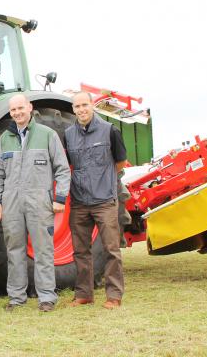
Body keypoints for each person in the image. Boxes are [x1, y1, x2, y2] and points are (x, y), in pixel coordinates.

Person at [0, 94, 71, 312]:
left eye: (20, 108)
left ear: (29, 107)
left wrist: (60, 198)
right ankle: (16, 297)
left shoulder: (47, 134)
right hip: (11, 203)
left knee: (43, 250)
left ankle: (47, 297)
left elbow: (62, 169)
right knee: (14, 251)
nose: (17, 113)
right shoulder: (4, 139)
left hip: (39, 202)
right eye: (13, 110)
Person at [63, 91, 128, 309]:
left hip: (104, 201)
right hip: (80, 201)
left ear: (92, 105)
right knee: (80, 251)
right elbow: (68, 165)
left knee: (111, 249)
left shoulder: (110, 131)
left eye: (84, 105)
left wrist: (104, 179)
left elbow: (120, 162)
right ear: (73, 109)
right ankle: (84, 294)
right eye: (77, 106)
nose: (81, 110)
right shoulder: (68, 134)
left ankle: (114, 295)